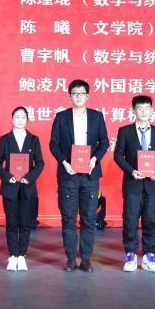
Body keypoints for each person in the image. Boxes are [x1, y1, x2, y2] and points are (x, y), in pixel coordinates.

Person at [49, 79, 110, 272]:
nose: (78, 97)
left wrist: (95, 159)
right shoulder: (61, 117)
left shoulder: (97, 117)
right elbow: (53, 144)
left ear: (87, 96)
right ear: (69, 96)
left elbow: (104, 143)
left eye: (81, 93)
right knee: (68, 218)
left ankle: (85, 259)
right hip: (68, 174)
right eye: (74, 93)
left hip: (90, 175)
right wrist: (64, 162)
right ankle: (70, 259)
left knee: (89, 219)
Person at [112, 94, 155, 273]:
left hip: (152, 184)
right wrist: (131, 171)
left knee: (151, 220)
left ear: (152, 110)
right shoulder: (125, 131)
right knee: (130, 220)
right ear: (134, 110)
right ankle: (130, 255)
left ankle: (148, 256)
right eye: (140, 108)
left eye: (147, 108)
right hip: (132, 183)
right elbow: (118, 155)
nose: (143, 111)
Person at [0, 107, 45, 271]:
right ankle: (13, 255)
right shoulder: (5, 139)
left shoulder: (34, 140)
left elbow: (40, 163)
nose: (20, 120)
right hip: (10, 186)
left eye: (23, 117)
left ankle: (22, 255)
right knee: (11, 223)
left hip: (27, 187)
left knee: (25, 223)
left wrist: (29, 177)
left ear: (27, 120)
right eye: (17, 117)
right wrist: (7, 176)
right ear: (12, 119)